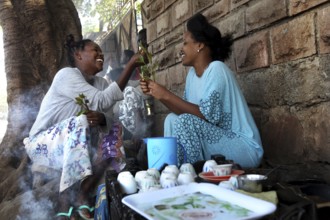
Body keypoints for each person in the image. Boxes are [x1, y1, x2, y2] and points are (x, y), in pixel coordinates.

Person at [23, 34, 146, 220]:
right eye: (95, 50)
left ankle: (84, 192)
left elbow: (109, 115)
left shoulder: (102, 84)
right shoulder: (66, 75)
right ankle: (65, 203)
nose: (101, 54)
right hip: (43, 144)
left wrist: (102, 118)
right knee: (80, 121)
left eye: (102, 52)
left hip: (73, 143)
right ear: (78, 55)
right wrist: (130, 65)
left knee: (113, 129)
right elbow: (101, 100)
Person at [140, 13, 264, 169]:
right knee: (172, 119)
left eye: (185, 43)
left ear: (200, 45)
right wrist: (158, 94)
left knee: (185, 122)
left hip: (244, 148)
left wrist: (165, 94)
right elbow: (184, 111)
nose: (181, 49)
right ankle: (173, 173)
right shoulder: (192, 75)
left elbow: (206, 116)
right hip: (218, 144)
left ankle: (191, 177)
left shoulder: (217, 69)